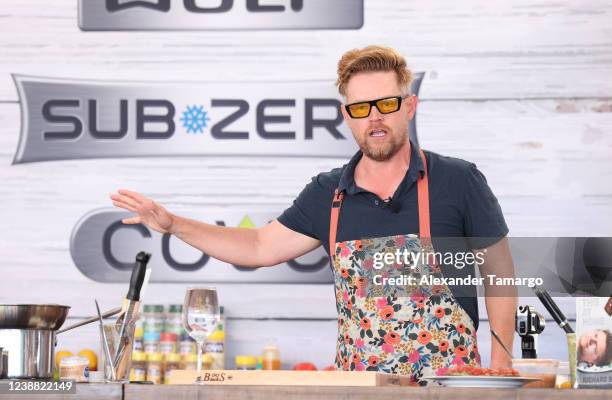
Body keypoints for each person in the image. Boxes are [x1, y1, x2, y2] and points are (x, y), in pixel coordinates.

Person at [111, 45, 517, 383]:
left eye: (386, 104)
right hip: (357, 391)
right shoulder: (329, 194)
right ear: (347, 117)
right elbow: (256, 246)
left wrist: (499, 368)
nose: (374, 117)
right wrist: (173, 225)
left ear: (409, 107)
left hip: (448, 390)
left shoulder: (458, 181)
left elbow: (499, 273)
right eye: (360, 108)